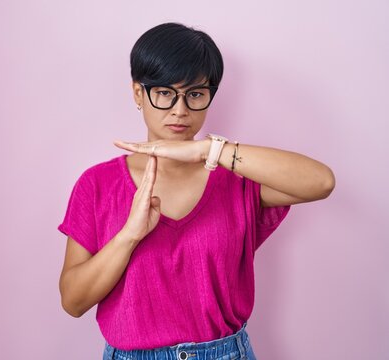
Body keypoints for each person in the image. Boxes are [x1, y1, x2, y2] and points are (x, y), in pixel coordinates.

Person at [57, 22, 335, 360]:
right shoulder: (97, 185)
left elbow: (321, 182)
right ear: (137, 93)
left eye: (195, 94)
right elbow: (73, 301)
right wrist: (128, 236)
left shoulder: (237, 179)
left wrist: (208, 151)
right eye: (163, 92)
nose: (180, 109)